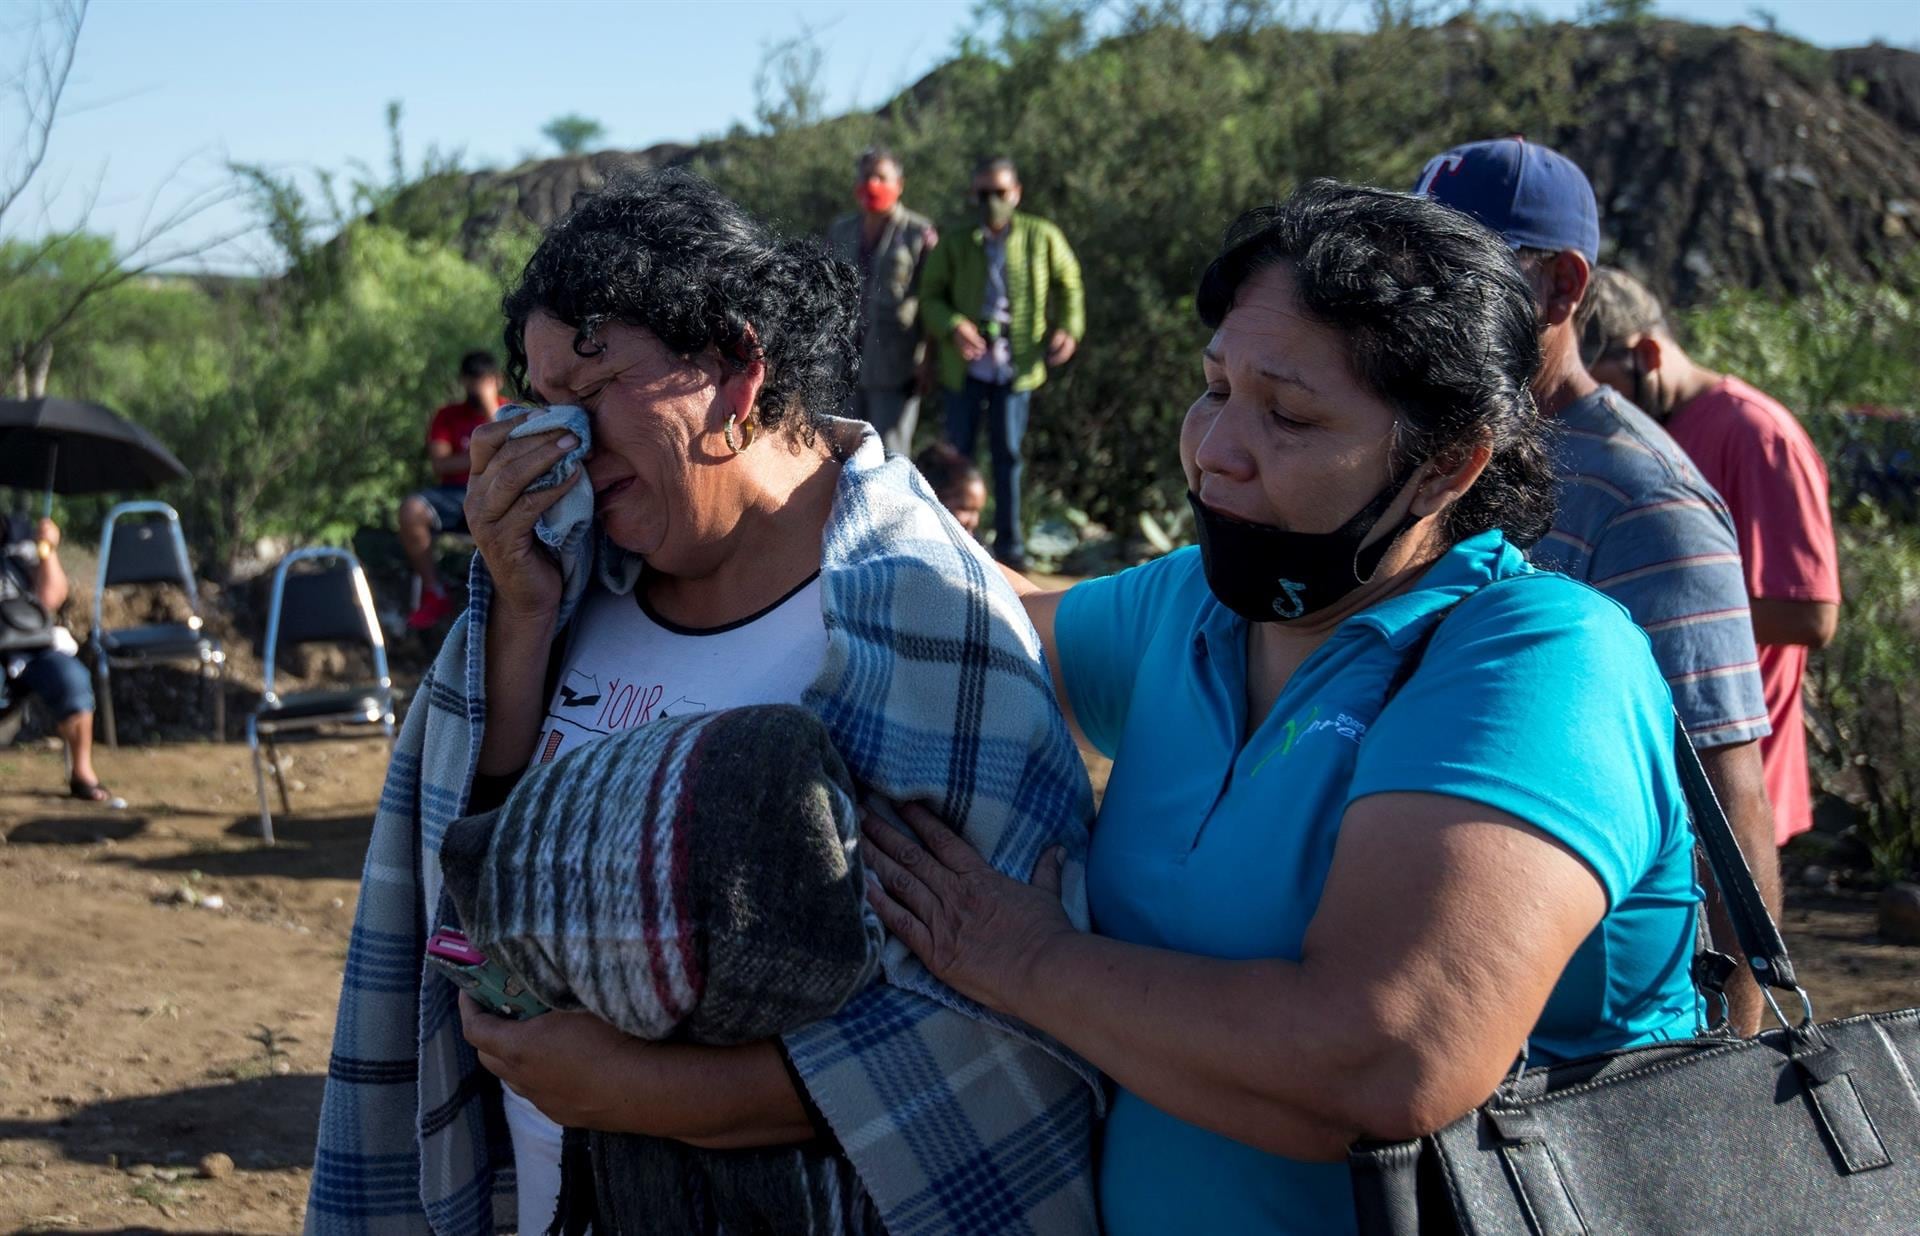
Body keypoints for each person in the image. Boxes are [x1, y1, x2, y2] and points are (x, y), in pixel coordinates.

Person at [857, 181, 1704, 1236]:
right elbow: (974, 626)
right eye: (1214, 388)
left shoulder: (1538, 661)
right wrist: (829, 477)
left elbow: (1386, 1058)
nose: (1216, 446)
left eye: (1289, 415)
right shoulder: (1197, 608)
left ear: (1446, 464)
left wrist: (1023, 960)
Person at [309, 170, 1100, 1236]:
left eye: (592, 397)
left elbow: (994, 1031)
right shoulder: (564, 579)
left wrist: (652, 1096)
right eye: (543, 406)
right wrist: (523, 621)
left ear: (735, 366)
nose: (563, 444)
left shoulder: (920, 622)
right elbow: (467, 878)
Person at [1415, 137, 1781, 1031]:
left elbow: (1728, 790)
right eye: (1419, 266)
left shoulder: (1643, 500)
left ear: (1563, 288)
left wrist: (1728, 1064)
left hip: (1599, 1041)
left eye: (1468, 269)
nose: (1427, 300)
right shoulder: (1453, 451)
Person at [1580, 267, 1841, 846]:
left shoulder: (1755, 433)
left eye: (1601, 386)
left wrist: (1633, 609)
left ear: (1647, 353)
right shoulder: (1637, 436)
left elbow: (1810, 615)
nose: (1592, 407)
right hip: (1648, 773)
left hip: (1731, 773)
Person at [919, 155, 1084, 569]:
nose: (992, 201)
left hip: (1018, 365)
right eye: (984, 193)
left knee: (1008, 453)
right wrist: (954, 325)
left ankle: (1010, 549)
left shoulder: (1041, 236)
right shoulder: (957, 242)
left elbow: (1070, 283)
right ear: (973, 194)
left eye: (1000, 192)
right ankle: (945, 538)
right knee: (956, 455)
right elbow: (930, 296)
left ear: (1017, 193)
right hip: (966, 366)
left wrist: (1069, 327)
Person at [2, 513, 122, 807]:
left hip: (33, 643)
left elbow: (51, 597)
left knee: (73, 679)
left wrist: (49, 549)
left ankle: (82, 772)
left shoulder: (22, 535)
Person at [826, 147, 937, 455]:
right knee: (842, 453)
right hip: (846, 363)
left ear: (899, 184)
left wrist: (926, 360)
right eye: (866, 176)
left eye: (881, 177)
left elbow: (931, 300)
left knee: (891, 454)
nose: (872, 184)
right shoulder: (842, 229)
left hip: (895, 364)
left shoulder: (919, 233)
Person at [399, 350, 503, 630]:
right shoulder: (447, 416)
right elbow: (442, 463)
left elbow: (514, 454)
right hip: (455, 495)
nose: (476, 387)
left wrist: (492, 408)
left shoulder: (509, 411)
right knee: (412, 510)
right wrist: (487, 452)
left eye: (483, 380)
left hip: (497, 493)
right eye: (472, 380)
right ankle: (435, 592)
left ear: (497, 381)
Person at [914, 440, 987, 534]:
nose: (974, 521)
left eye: (977, 511)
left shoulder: (976, 546)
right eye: (964, 508)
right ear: (934, 498)